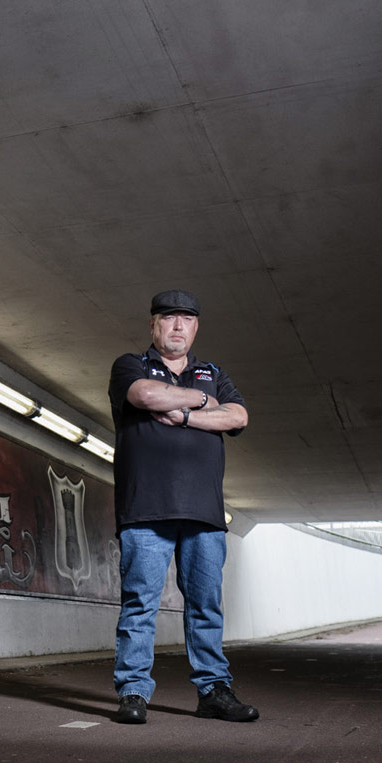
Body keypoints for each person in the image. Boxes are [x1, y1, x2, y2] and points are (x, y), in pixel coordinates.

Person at [108, 289, 258, 725]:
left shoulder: (214, 373)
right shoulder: (131, 365)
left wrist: (188, 415)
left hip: (204, 512)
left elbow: (238, 416)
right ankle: (133, 692)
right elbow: (145, 396)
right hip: (145, 509)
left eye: (186, 319)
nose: (178, 326)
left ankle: (213, 690)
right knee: (140, 604)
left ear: (195, 327)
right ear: (153, 324)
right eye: (169, 317)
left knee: (206, 605)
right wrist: (202, 401)